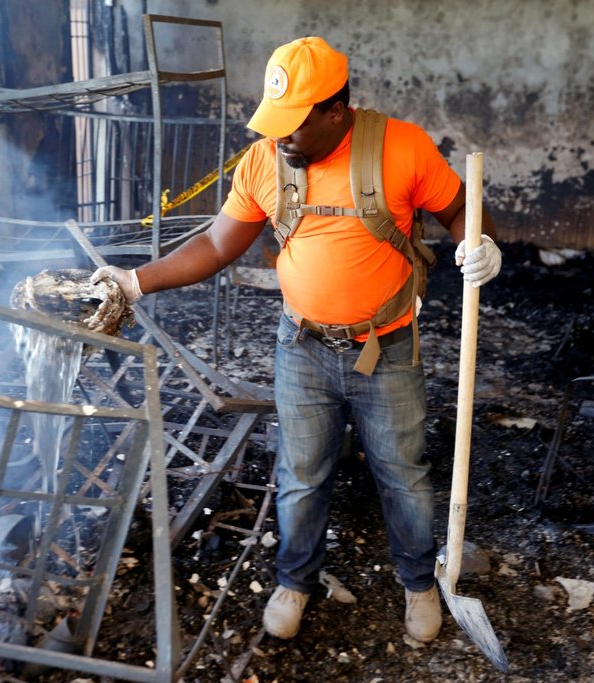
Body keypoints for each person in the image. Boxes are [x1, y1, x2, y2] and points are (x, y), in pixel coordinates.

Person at [91, 36, 501, 643]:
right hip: (301, 348)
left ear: (336, 110)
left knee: (403, 473)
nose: (280, 137)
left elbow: (464, 208)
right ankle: (295, 580)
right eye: (273, 122)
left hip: (386, 349)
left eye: (293, 124)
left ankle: (418, 583)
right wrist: (135, 281)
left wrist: (480, 242)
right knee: (302, 472)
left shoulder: (402, 148)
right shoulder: (264, 161)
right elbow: (216, 243)